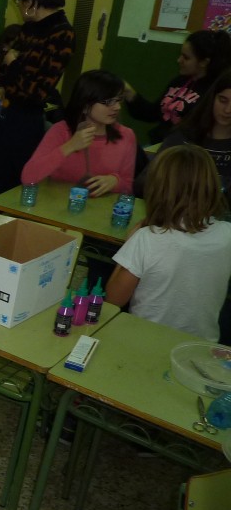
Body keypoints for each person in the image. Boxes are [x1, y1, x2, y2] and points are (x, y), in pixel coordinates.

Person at [0, 0, 74, 211]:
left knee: (8, 189)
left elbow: (36, 91)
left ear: (33, 1)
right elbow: (1, 67)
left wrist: (15, 63)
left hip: (25, 121)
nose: (18, 5)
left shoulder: (62, 34)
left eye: (20, 0)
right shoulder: (29, 29)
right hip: (4, 113)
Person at [107, 144, 231, 342]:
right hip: (200, 347)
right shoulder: (227, 234)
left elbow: (113, 299)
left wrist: (128, 246)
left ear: (158, 189)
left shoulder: (146, 238)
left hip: (143, 341)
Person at [21, 70, 137, 196]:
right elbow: (28, 177)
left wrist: (115, 181)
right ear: (85, 105)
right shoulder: (61, 131)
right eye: (108, 102)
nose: (117, 107)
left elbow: (129, 188)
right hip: (56, 207)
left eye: (119, 100)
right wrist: (70, 146)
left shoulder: (126, 135)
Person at [124, 30, 231, 144]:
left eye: (186, 57)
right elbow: (153, 113)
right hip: (160, 144)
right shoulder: (179, 81)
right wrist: (129, 92)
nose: (179, 60)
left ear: (204, 62)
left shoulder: (214, 89)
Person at [150, 68, 231, 198]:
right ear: (212, 98)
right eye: (223, 100)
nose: (227, 110)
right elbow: (149, 179)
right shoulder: (184, 134)